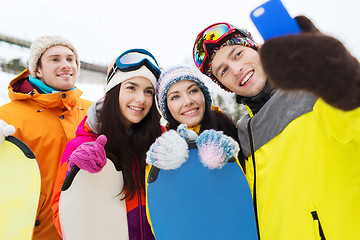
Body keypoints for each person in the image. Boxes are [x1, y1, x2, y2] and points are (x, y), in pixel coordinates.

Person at [192, 16, 360, 240]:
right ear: (223, 85)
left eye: (237, 54)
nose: (236, 69)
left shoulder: (312, 95)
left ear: (257, 48)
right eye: (223, 71)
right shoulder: (241, 133)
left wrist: (341, 76)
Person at [51, 48, 163, 239]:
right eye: (131, 87)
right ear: (114, 90)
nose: (141, 99)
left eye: (148, 91)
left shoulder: (162, 141)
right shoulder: (82, 145)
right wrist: (77, 175)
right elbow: (62, 216)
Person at [0, 35, 92, 239]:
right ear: (37, 69)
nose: (66, 65)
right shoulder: (8, 116)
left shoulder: (93, 111)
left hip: (85, 227)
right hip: (36, 231)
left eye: (70, 59)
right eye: (55, 59)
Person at [146, 65, 242, 170]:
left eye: (193, 91)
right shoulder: (161, 152)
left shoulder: (238, 132)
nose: (188, 101)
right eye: (175, 97)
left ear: (204, 94)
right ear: (166, 107)